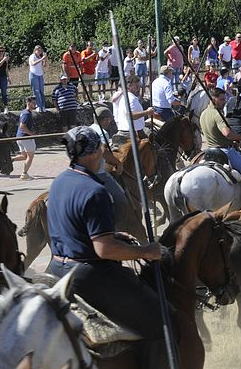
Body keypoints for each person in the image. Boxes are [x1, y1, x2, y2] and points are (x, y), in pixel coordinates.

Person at [46, 126, 166, 368]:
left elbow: (74, 229)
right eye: (101, 147)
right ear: (93, 153)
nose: (104, 152)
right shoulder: (96, 191)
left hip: (56, 268)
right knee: (160, 316)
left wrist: (111, 235)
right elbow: (104, 250)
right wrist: (145, 251)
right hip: (88, 276)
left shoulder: (60, 181)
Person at [200, 87, 241, 209]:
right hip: (224, 151)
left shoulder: (203, 114)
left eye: (224, 99)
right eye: (221, 99)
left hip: (209, 150)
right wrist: (238, 137)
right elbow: (226, 133)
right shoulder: (217, 114)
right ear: (214, 99)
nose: (224, 102)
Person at [112, 75, 154, 142]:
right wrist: (147, 112)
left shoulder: (127, 96)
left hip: (126, 130)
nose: (138, 88)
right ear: (129, 86)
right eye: (136, 86)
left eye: (139, 86)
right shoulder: (131, 98)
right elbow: (131, 115)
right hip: (133, 133)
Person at [13, 96, 38, 180]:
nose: (35, 104)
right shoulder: (27, 114)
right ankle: (24, 174)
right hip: (25, 138)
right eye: (33, 103)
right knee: (30, 157)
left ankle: (10, 160)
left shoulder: (24, 112)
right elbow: (22, 126)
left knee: (24, 156)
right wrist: (31, 134)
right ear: (28, 103)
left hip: (19, 137)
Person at [28, 45, 48, 112]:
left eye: (40, 50)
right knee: (36, 91)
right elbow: (33, 63)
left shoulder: (40, 56)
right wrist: (42, 58)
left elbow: (44, 66)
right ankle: (38, 106)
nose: (39, 51)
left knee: (41, 91)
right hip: (34, 74)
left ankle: (43, 106)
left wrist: (45, 59)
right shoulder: (32, 56)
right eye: (38, 50)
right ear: (35, 50)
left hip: (40, 75)